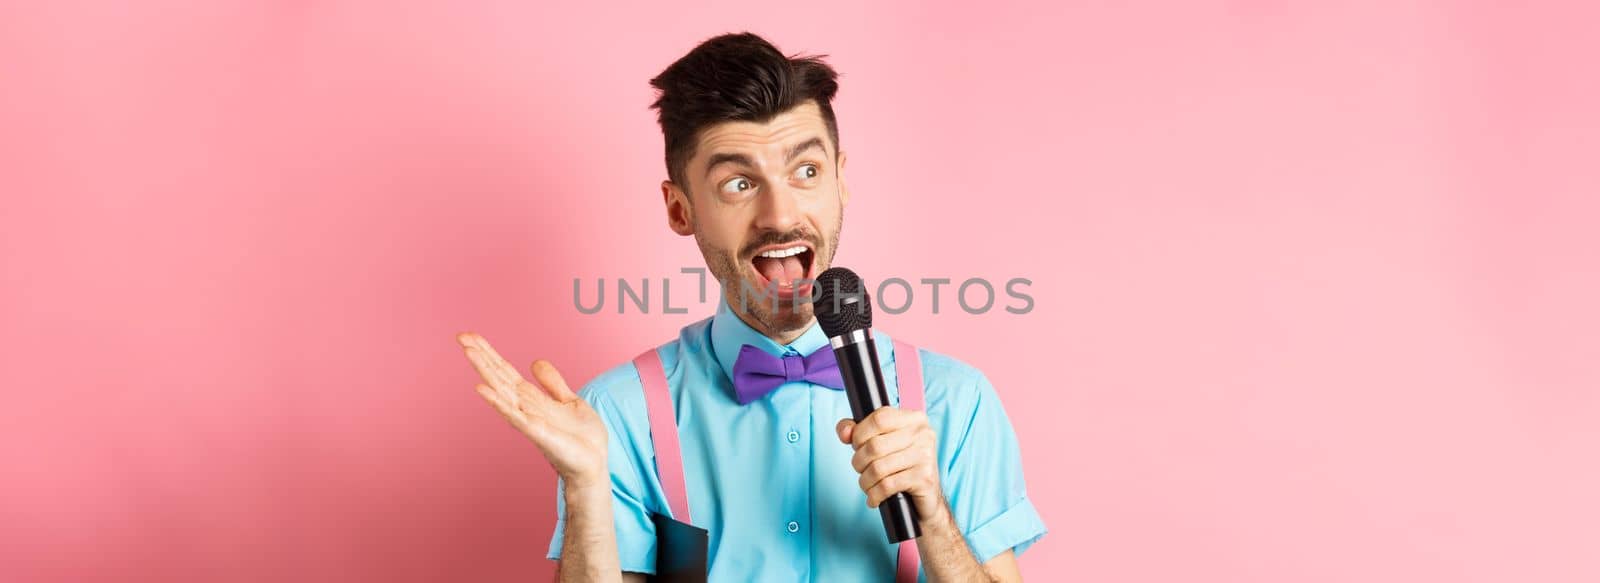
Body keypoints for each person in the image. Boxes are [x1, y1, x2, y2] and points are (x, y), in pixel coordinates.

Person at [456, 32, 1045, 582]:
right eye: (739, 183)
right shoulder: (619, 417)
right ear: (680, 209)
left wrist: (934, 517)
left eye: (806, 171)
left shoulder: (957, 403)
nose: (781, 216)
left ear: (840, 182)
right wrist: (586, 487)